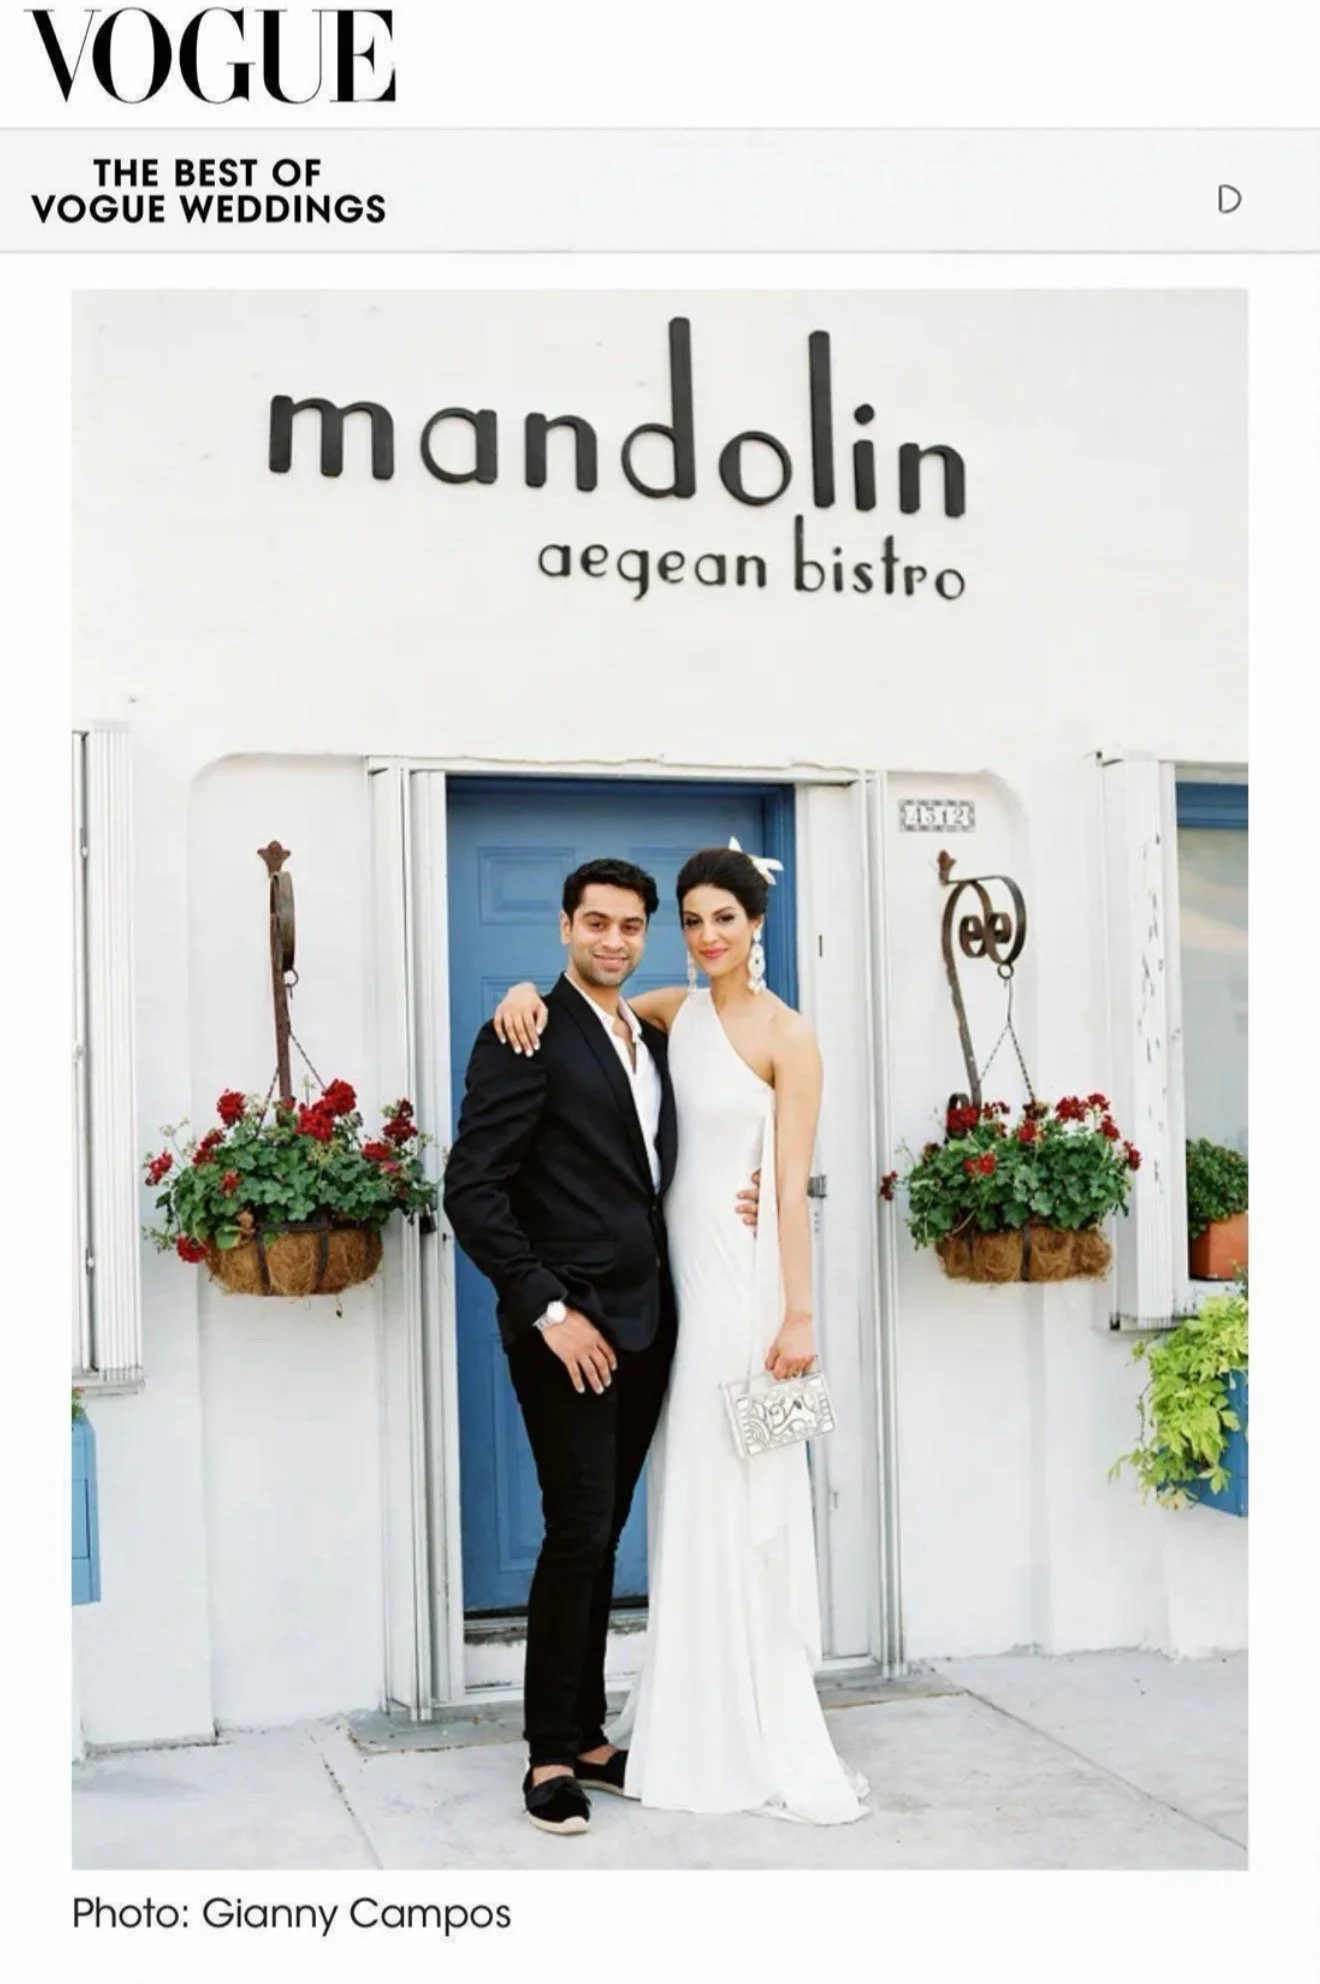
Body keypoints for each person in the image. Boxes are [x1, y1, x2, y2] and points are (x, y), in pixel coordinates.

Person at [489, 842, 869, 1826]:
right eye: (692, 920)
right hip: (627, 1308)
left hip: (730, 1298)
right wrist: (522, 988)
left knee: (720, 1498)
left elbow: (788, 1185)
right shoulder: (667, 1011)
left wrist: (799, 1313)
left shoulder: (785, 1035)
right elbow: (579, 1028)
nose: (706, 936)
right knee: (623, 1518)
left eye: (722, 920)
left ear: (756, 926)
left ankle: (731, 1715)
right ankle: (588, 1745)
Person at [442, 856, 761, 1836]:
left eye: (630, 926)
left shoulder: (653, 1029)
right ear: (564, 926)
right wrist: (547, 1308)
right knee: (578, 1527)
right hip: (566, 1330)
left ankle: (586, 1732)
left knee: (606, 1526)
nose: (613, 939)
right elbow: (472, 1189)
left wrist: (739, 1193)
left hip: (653, 1322)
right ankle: (548, 1754)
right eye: (596, 923)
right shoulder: (524, 1035)